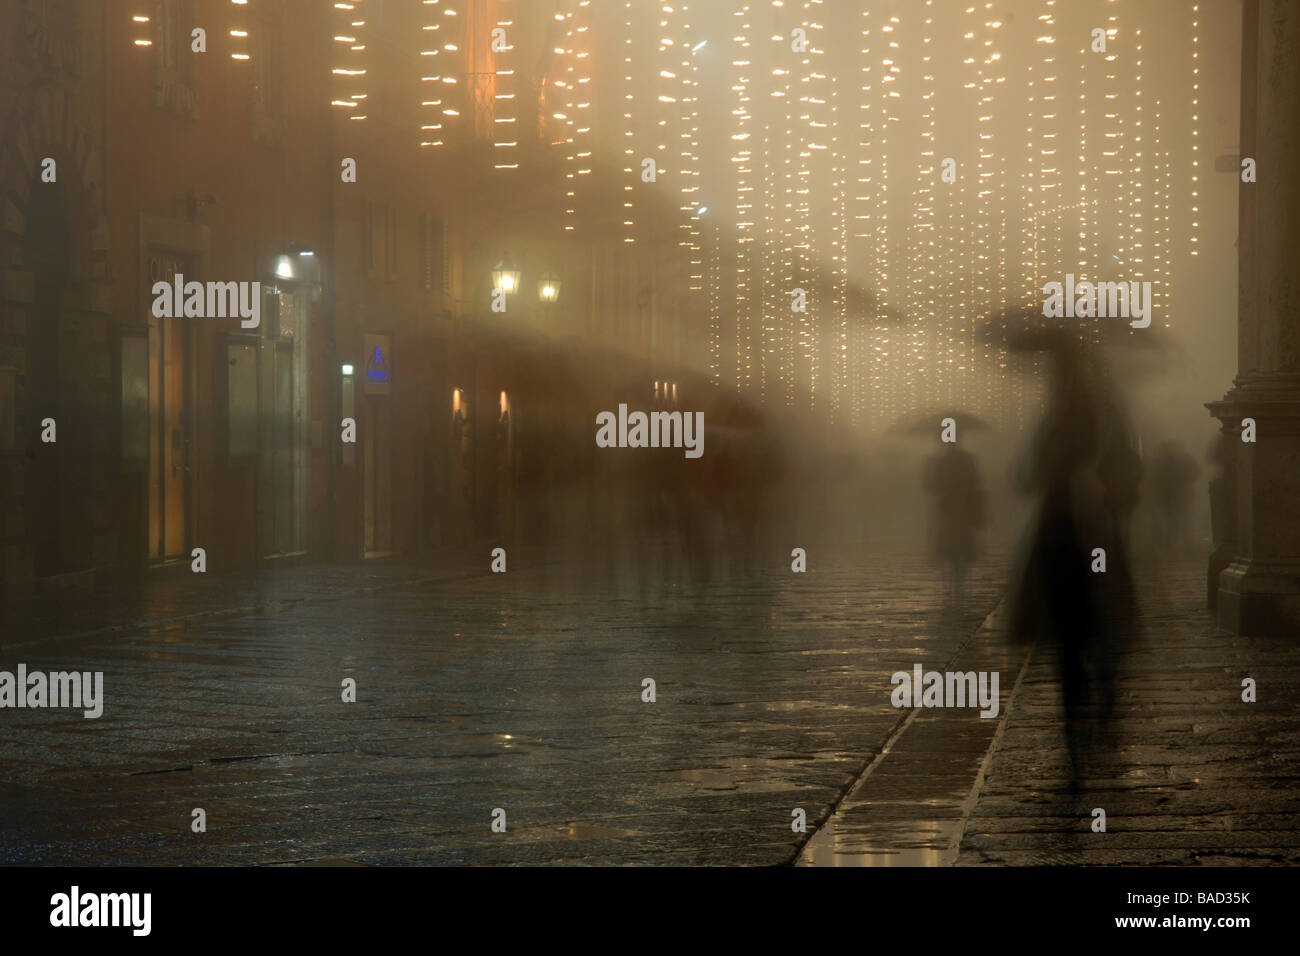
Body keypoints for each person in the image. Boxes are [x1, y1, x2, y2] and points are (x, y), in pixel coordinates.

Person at [922, 440, 987, 607]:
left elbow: (930, 486)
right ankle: (958, 581)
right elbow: (977, 480)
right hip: (963, 509)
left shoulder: (940, 460)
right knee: (960, 545)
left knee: (949, 544)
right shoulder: (967, 459)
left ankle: (953, 580)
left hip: (949, 509)